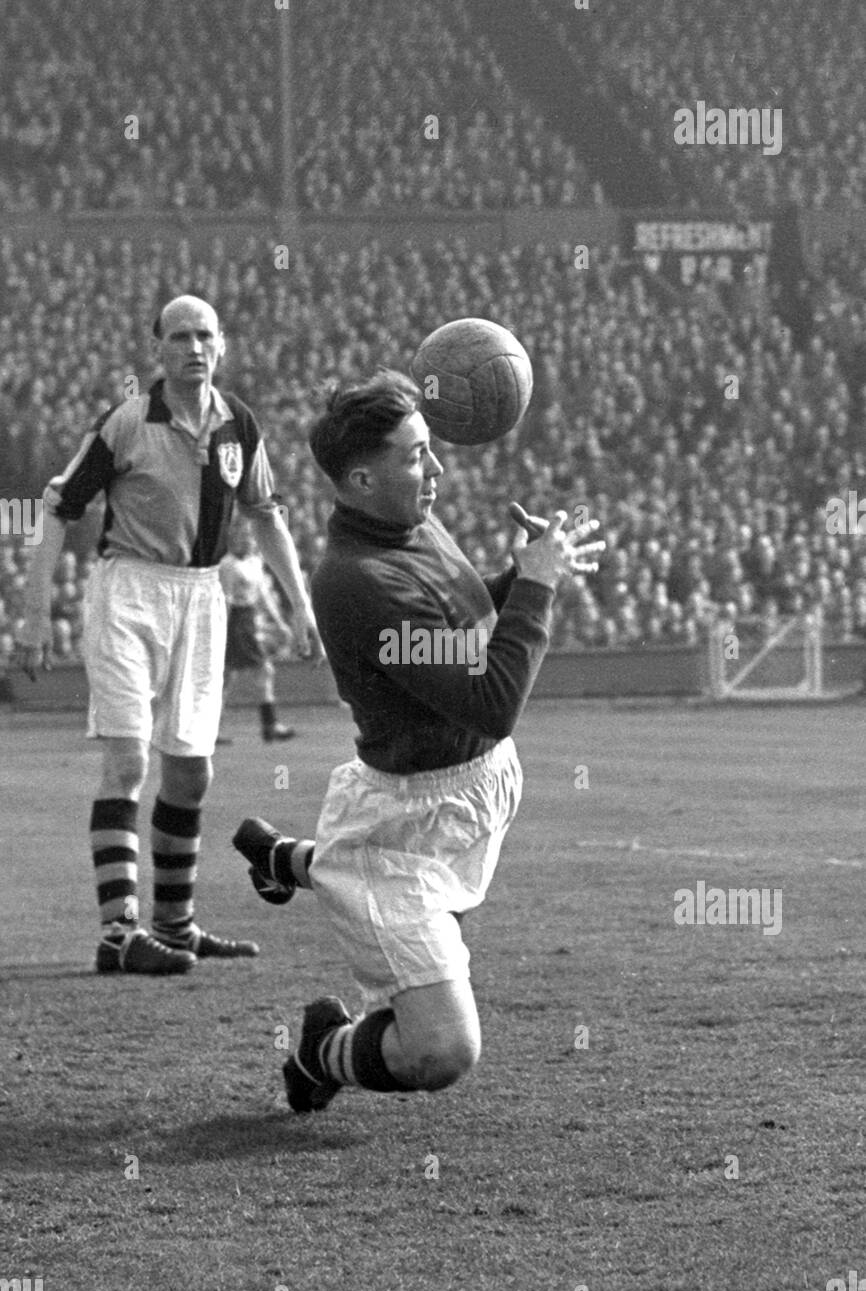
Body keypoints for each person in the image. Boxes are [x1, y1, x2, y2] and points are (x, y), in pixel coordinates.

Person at [233, 369, 602, 1112]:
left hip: (477, 788)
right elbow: (492, 702)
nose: (436, 468)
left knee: (421, 955)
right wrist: (536, 588)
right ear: (362, 479)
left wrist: (517, 576)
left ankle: (286, 861)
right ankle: (322, 1051)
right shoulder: (358, 580)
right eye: (415, 456)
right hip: (405, 814)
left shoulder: (411, 526)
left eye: (430, 448)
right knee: (441, 1049)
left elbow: (455, 621)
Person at [15, 294, 323, 975]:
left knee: (191, 770)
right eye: (180, 336)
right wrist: (34, 616)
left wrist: (299, 604)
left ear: (222, 345)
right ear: (157, 349)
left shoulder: (239, 424)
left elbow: (266, 515)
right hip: (128, 590)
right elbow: (58, 508)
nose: (194, 347)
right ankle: (118, 934)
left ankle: (175, 928)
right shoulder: (127, 422)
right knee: (128, 761)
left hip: (203, 595)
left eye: (205, 335)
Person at [216, 518, 298, 745]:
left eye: (250, 536)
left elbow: (263, 596)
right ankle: (270, 724)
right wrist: (222, 629)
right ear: (233, 539)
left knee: (227, 677)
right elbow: (226, 599)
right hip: (237, 622)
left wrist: (279, 622)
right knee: (263, 670)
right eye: (242, 536)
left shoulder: (255, 562)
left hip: (249, 619)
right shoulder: (228, 565)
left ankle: (212, 731)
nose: (247, 541)